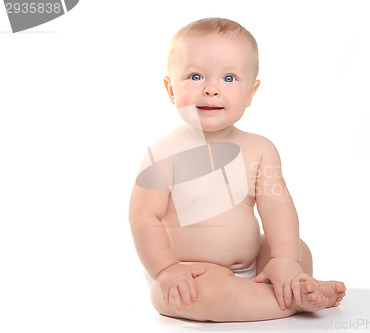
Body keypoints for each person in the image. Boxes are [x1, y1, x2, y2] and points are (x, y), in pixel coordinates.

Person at [129, 17, 346, 322]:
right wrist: (165, 268)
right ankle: (292, 300)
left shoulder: (260, 149)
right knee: (198, 297)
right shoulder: (164, 153)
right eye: (194, 76)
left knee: (296, 248)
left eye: (229, 78)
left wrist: (284, 259)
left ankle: (285, 281)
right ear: (170, 88)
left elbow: (277, 206)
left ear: (251, 93)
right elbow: (143, 216)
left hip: (255, 264)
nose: (211, 89)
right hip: (191, 271)